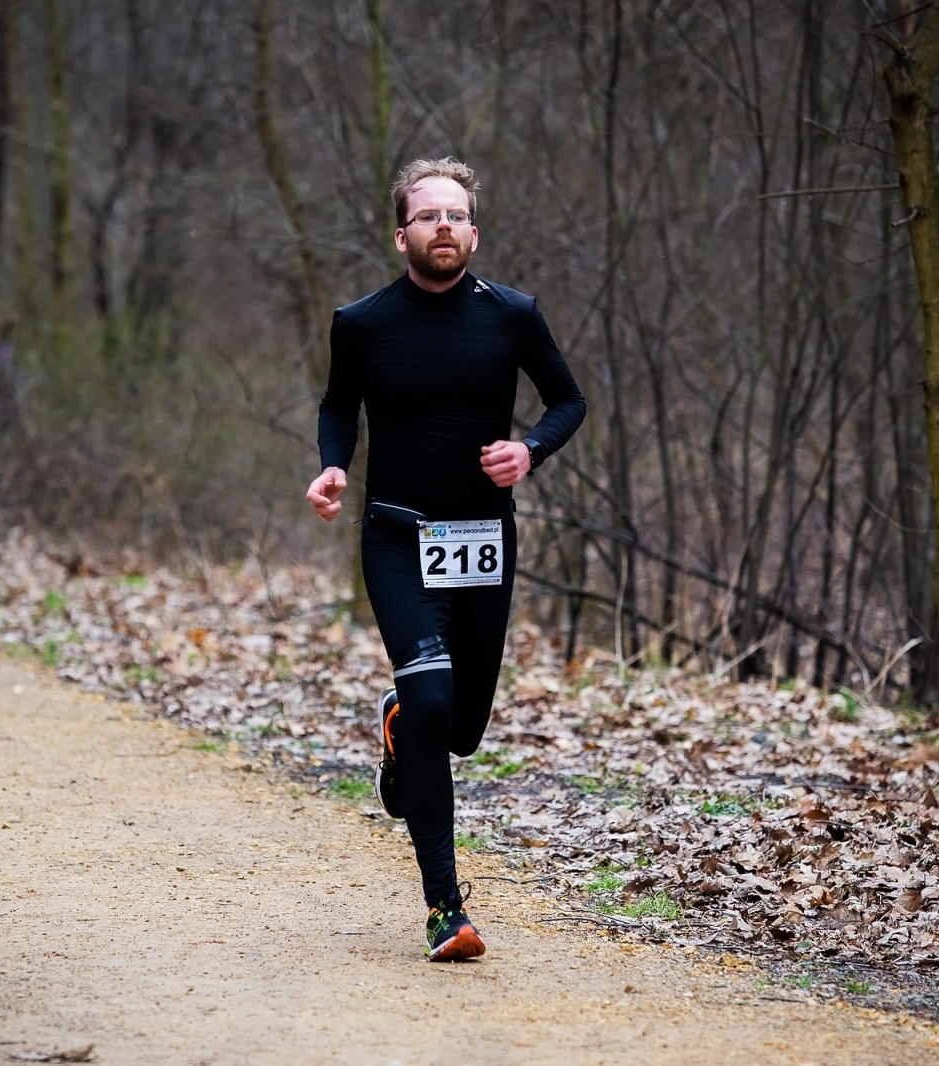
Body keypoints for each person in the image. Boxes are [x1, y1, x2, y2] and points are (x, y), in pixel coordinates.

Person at [306, 158, 585, 961]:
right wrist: (333, 464)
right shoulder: (361, 322)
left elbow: (569, 399)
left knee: (458, 730)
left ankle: (402, 730)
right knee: (430, 698)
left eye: (456, 216)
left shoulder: (513, 316)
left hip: (481, 541)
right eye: (427, 216)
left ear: (474, 231)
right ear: (402, 235)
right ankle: (445, 908)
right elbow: (337, 404)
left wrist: (529, 451)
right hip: (397, 535)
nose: (443, 227)